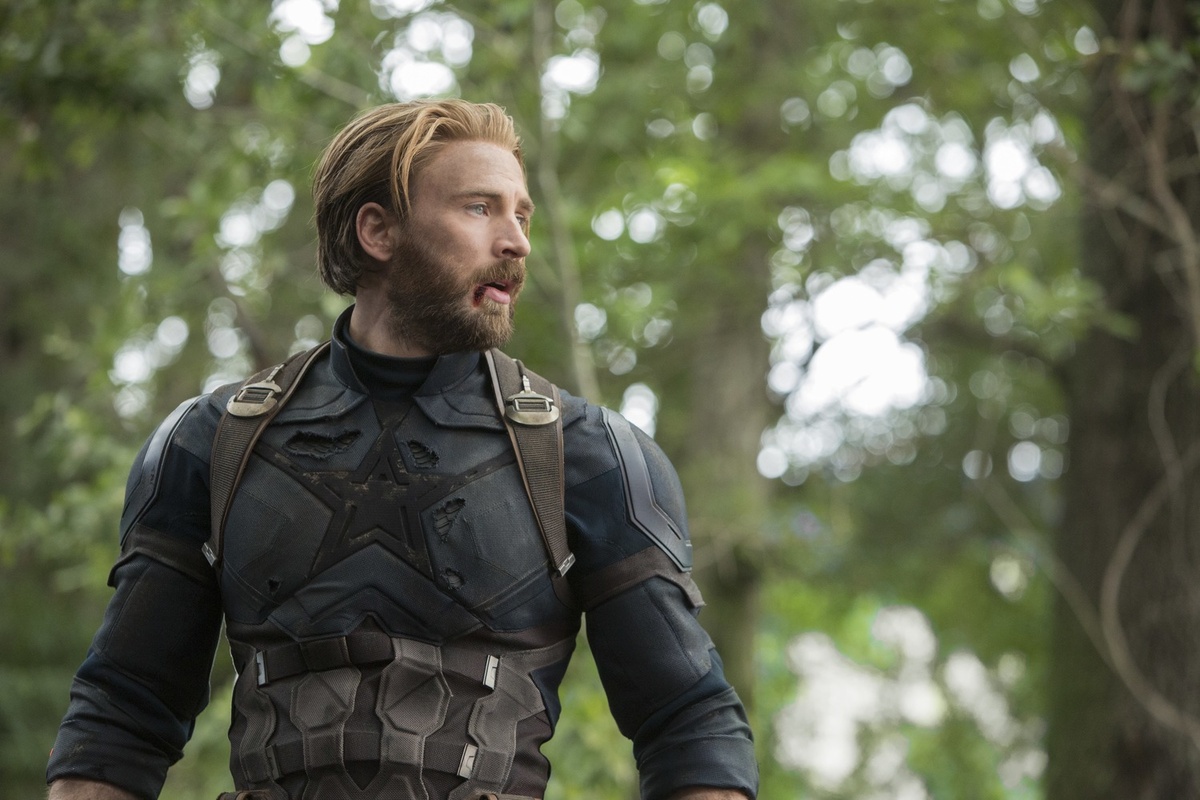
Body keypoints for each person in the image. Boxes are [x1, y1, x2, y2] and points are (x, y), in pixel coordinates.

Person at [46, 99, 757, 800]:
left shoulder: (590, 456)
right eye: (479, 208)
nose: (516, 242)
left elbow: (690, 727)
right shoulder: (214, 441)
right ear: (378, 231)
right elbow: (121, 717)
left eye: (522, 215)